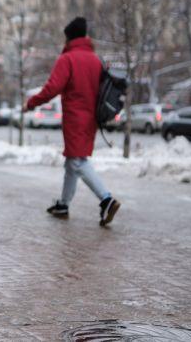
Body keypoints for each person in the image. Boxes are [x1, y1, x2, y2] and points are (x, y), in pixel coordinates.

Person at [23, 17, 121, 226]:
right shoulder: (96, 59)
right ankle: (64, 204)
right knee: (72, 161)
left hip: (75, 119)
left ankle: (106, 199)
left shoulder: (67, 59)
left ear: (68, 38)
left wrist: (31, 103)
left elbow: (52, 88)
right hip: (92, 118)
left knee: (78, 161)